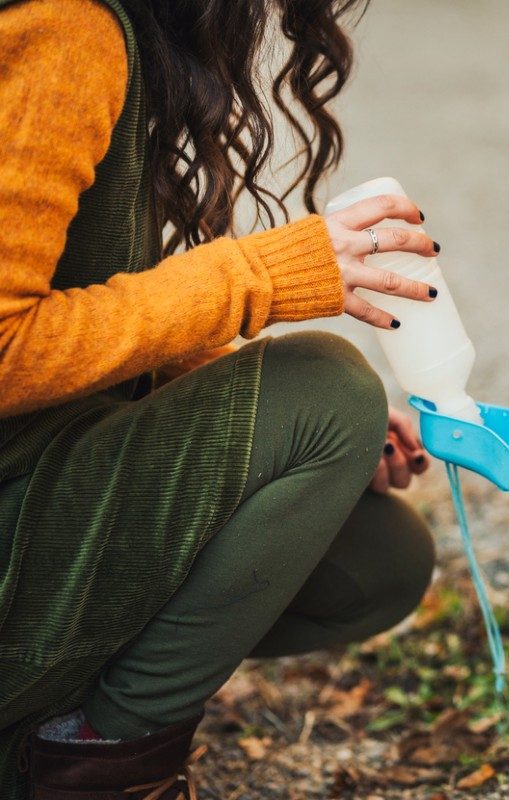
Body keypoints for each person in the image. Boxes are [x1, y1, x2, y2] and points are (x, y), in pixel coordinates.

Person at [0, 0, 442, 796]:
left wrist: (276, 424)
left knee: (376, 558)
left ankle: (36, 731)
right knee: (327, 388)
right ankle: (94, 766)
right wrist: (256, 279)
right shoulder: (64, 28)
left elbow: (85, 297)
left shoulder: (115, 31)